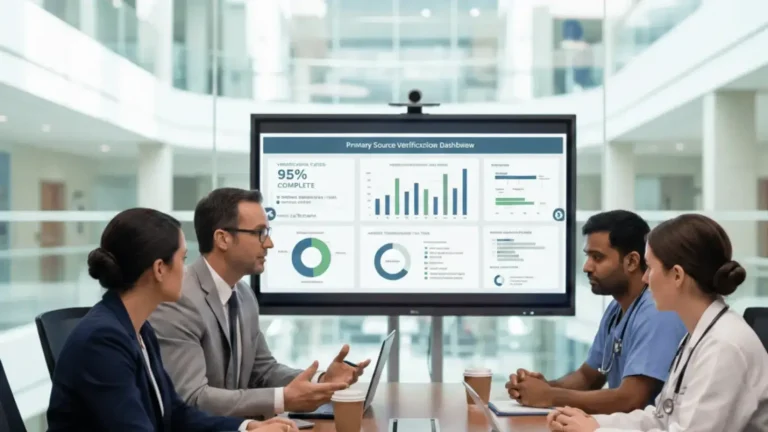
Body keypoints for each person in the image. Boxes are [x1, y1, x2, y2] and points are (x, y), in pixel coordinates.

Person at [46, 208, 298, 432]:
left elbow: (176, 414)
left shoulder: (140, 329)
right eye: (182, 259)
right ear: (159, 269)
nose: (186, 270)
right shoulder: (102, 340)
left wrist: (247, 427)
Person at [149, 188, 371, 419]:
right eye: (259, 233)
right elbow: (193, 399)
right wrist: (283, 399)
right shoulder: (178, 299)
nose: (269, 243)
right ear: (223, 239)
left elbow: (263, 371)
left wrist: (322, 381)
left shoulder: (244, 295)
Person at [548, 214, 768, 431]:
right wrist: (593, 422)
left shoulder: (724, 346)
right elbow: (661, 418)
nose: (644, 278)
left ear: (677, 276)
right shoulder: (697, 336)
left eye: (650, 268)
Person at [506, 210, 687, 414]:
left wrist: (550, 395)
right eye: (588, 256)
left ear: (632, 262)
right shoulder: (617, 309)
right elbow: (586, 377)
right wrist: (541, 386)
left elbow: (631, 399)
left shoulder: (657, 312)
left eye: (597, 257)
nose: (586, 267)